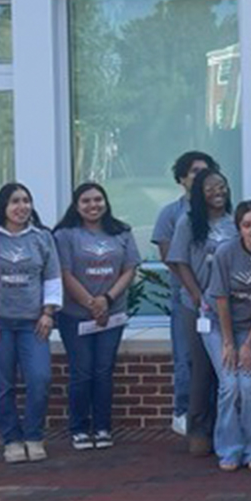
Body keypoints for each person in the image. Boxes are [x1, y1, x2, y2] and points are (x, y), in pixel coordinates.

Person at [53, 182, 140, 451]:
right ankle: (79, 428)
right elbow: (64, 274)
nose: (93, 205)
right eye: (86, 201)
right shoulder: (65, 234)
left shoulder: (121, 231)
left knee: (103, 371)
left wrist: (107, 300)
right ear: (77, 206)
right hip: (75, 315)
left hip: (111, 315)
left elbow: (129, 269)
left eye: (98, 200)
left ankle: (102, 427)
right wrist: (91, 303)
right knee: (82, 372)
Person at [0, 183, 62, 463]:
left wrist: (48, 313)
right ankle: (12, 439)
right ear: (3, 208)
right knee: (3, 384)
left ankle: (34, 435)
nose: (22, 207)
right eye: (14, 202)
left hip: (35, 323)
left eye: (26, 201)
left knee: (39, 378)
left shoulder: (42, 238)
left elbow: (52, 277)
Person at [165, 169, 235, 457]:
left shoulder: (233, 223)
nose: (218, 191)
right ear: (198, 193)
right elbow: (179, 262)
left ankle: (224, 431)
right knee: (201, 371)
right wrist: (197, 296)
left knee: (226, 371)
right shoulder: (187, 223)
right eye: (210, 188)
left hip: (228, 308)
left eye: (222, 186)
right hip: (197, 308)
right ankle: (198, 429)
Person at [152, 151, 217, 437]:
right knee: (187, 358)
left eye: (205, 170)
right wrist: (195, 291)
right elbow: (171, 258)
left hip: (221, 301)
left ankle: (210, 416)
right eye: (193, 171)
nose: (199, 176)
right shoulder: (172, 214)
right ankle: (182, 411)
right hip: (187, 299)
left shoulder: (223, 213)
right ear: (182, 178)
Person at [204, 201, 251, 471]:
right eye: (247, 225)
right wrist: (230, 344)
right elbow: (221, 300)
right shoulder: (225, 253)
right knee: (230, 385)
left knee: (250, 387)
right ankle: (230, 449)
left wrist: (248, 343)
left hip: (249, 327)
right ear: (239, 230)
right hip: (218, 324)